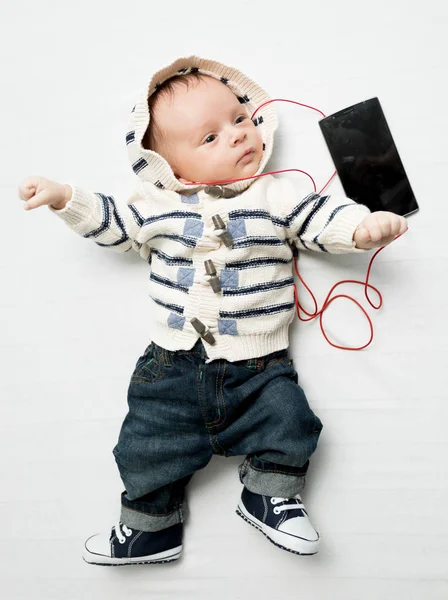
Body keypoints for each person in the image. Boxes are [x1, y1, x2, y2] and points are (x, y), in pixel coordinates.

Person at [18, 56, 408, 566]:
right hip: (170, 366)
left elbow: (321, 218)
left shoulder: (278, 193)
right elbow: (114, 225)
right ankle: (149, 526)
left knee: (291, 423)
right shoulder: (153, 202)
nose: (237, 136)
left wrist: (360, 227)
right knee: (145, 444)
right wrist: (66, 198)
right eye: (209, 138)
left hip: (261, 366)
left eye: (240, 119)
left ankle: (269, 494)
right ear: (167, 167)